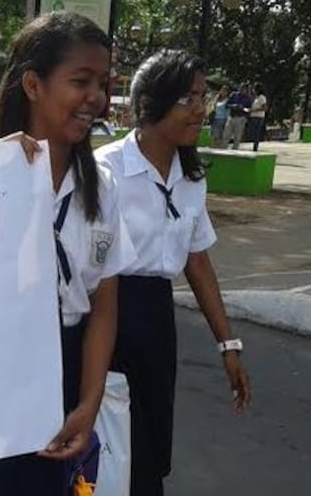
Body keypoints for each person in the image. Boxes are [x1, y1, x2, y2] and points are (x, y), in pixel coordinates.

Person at [0, 10, 136, 496]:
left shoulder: (101, 188)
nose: (96, 99)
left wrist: (87, 404)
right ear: (32, 84)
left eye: (102, 84)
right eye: (80, 81)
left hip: (62, 379)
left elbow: (104, 306)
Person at [95, 49, 252, 496]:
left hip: (156, 322)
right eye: (188, 98)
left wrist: (229, 344)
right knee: (106, 437)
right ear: (153, 102)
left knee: (150, 446)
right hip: (106, 315)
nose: (201, 110)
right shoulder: (107, 171)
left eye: (203, 96)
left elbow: (197, 260)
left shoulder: (191, 178)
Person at [223, 83, 252, 149]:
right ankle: (224, 149)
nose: (242, 90)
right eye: (241, 88)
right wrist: (233, 106)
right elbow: (226, 105)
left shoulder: (248, 98)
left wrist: (243, 108)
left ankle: (235, 150)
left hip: (241, 117)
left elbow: (249, 110)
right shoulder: (234, 95)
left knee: (237, 136)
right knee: (226, 135)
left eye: (244, 89)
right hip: (231, 116)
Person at [248, 82, 267, 152]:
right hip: (253, 116)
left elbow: (264, 108)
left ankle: (255, 146)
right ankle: (254, 145)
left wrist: (254, 110)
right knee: (253, 132)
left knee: (256, 132)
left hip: (259, 117)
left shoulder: (262, 97)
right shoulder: (256, 98)